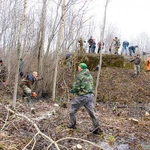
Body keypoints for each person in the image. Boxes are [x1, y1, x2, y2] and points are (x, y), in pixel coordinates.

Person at [68, 63, 101, 134]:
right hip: (91, 96)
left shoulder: (80, 75)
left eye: (79, 67)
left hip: (83, 96)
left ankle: (72, 124)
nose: (78, 68)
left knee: (72, 108)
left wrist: (73, 90)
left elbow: (77, 86)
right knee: (91, 112)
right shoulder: (90, 75)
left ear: (81, 68)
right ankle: (96, 128)